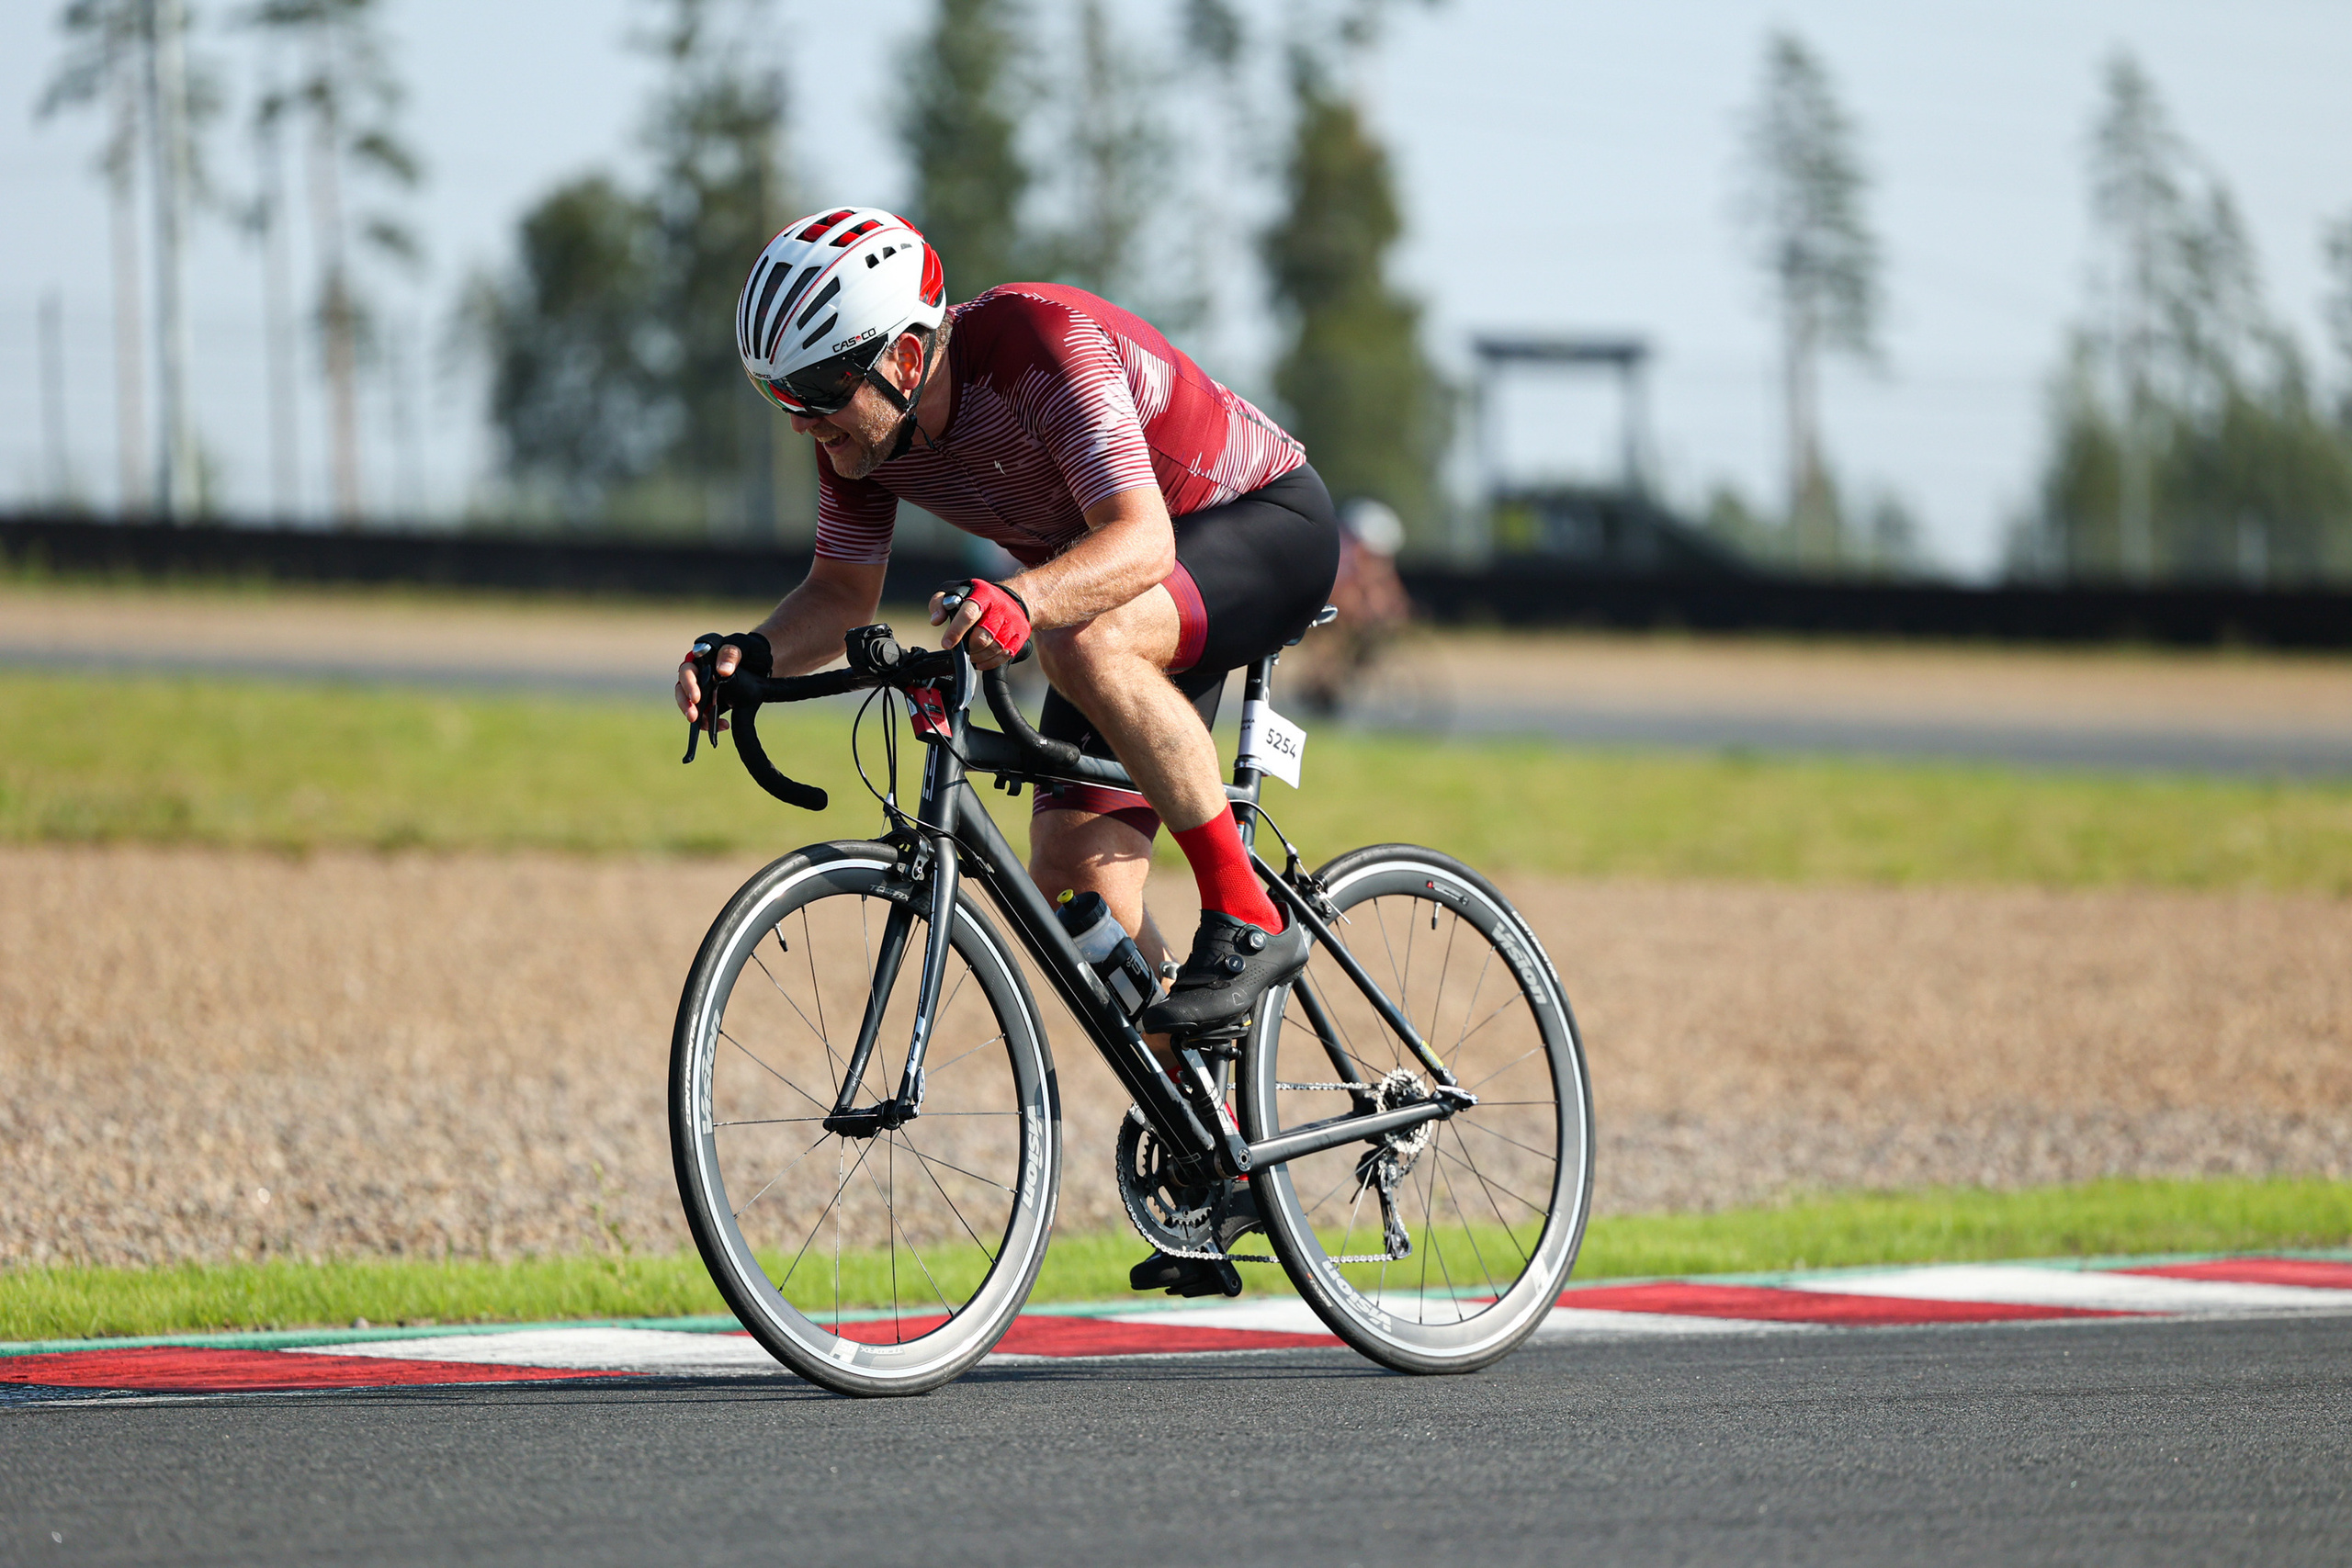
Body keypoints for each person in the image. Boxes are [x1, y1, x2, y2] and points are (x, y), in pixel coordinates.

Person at [674, 209, 1340, 1221]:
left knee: (1082, 640)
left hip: (1255, 526)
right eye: (779, 400)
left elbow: (1139, 541)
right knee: (1073, 877)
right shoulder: (863, 429)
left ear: (903, 352)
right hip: (1118, 588)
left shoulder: (1037, 347)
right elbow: (842, 596)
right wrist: (750, 653)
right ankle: (1225, 1151)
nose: (804, 424)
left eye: (813, 396)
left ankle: (1242, 906)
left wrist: (1022, 599)